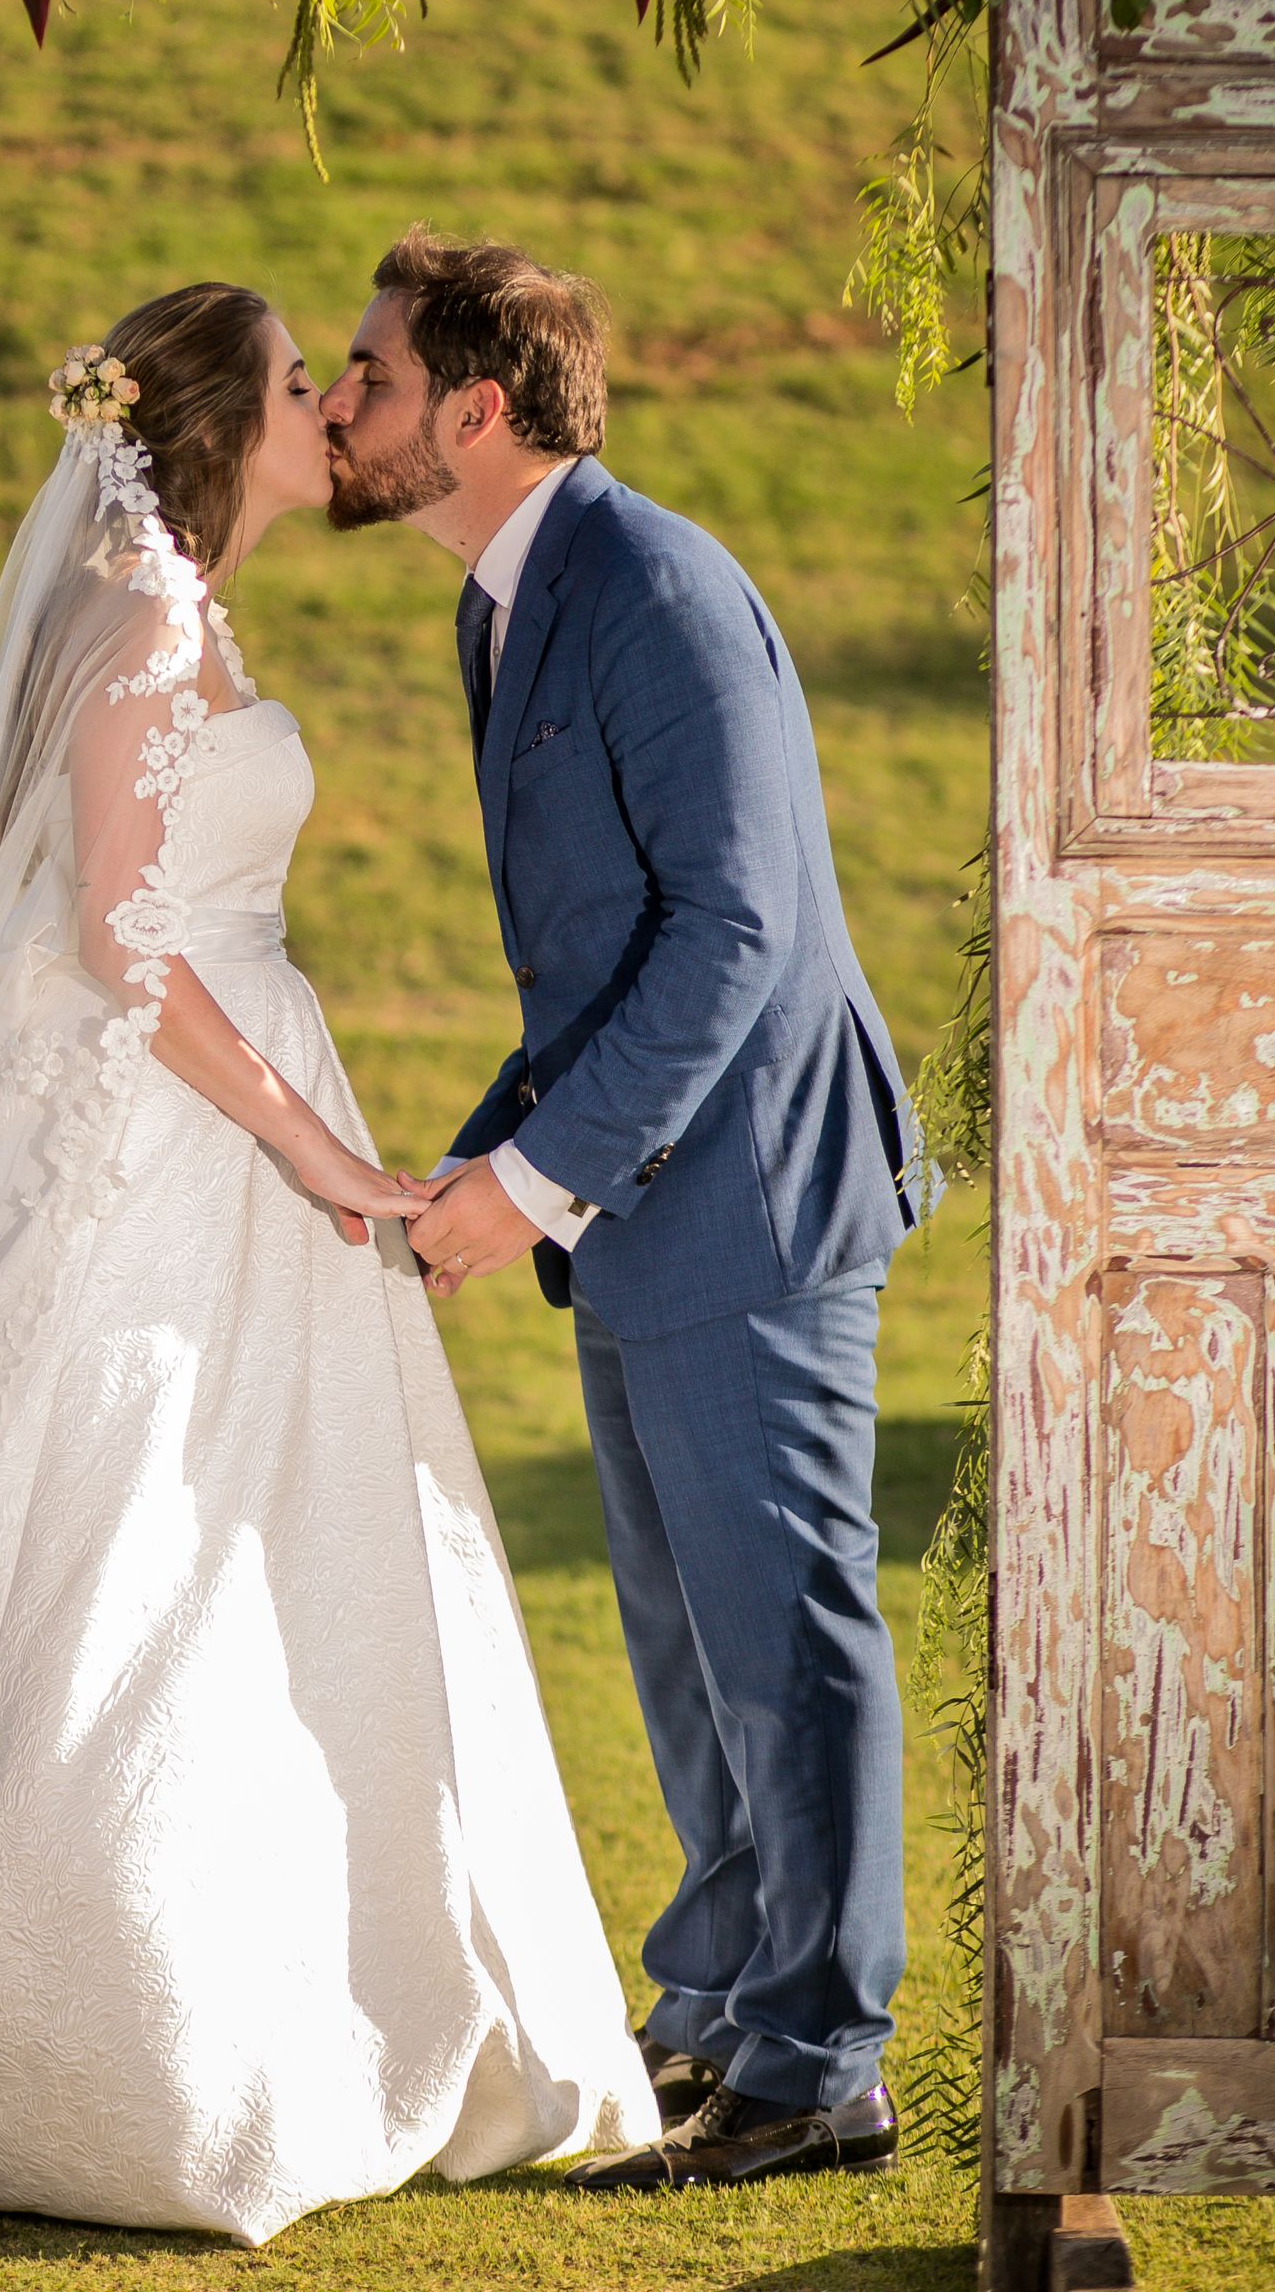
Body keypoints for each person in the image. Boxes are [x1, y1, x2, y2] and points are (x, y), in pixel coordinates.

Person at [0, 283, 650, 2247]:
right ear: (227, 426)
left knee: (265, 1539)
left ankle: (307, 1974)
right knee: (115, 1532)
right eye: (303, 384)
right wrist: (314, 1143)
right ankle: (71, 2028)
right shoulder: (142, 619)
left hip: (231, 1095)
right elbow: (117, 942)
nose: (333, 405)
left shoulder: (189, 613)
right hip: (157, 1130)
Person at [326, 227, 922, 2192]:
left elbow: (736, 925)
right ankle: (722, 2013)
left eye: (373, 375)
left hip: (752, 1191)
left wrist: (533, 1177)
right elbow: (599, 949)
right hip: (637, 1205)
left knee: (785, 1632)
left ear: (478, 411)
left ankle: (822, 2069)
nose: (342, 406)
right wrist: (488, 1151)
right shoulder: (506, 600)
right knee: (688, 1644)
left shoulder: (654, 585)